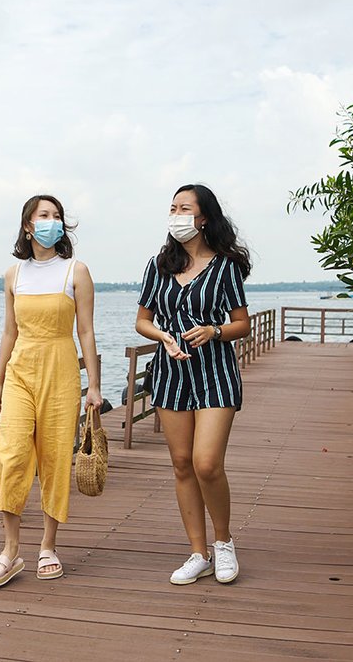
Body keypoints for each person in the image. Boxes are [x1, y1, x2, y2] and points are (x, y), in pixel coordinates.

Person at [0, 194, 103, 588]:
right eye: (44, 215)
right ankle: (10, 550)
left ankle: (48, 546)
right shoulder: (13, 275)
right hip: (20, 370)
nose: (53, 221)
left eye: (57, 216)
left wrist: (94, 385)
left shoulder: (76, 271)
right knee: (10, 454)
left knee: (54, 456)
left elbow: (86, 331)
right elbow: (9, 331)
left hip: (61, 369)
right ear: (28, 226)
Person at [135, 183, 251, 585]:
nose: (176, 215)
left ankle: (224, 543)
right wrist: (163, 337)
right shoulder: (159, 265)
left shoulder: (226, 266)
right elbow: (142, 320)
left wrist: (214, 331)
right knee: (182, 463)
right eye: (172, 208)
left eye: (184, 208)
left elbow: (242, 324)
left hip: (215, 372)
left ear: (203, 218)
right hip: (171, 373)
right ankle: (198, 553)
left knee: (206, 463)